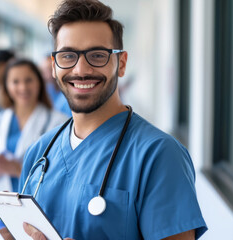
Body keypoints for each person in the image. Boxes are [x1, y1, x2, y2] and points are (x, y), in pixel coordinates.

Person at [15, 0, 208, 239]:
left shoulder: (159, 155)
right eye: (68, 56)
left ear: (122, 63)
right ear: (54, 67)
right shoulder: (39, 153)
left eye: (97, 55)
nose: (80, 69)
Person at [0, 59, 68, 240]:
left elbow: (67, 173)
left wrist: (19, 169)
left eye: (29, 80)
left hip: (40, 215)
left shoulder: (59, 123)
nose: (23, 87)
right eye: (15, 81)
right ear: (6, 86)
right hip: (1, 215)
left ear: (39, 82)